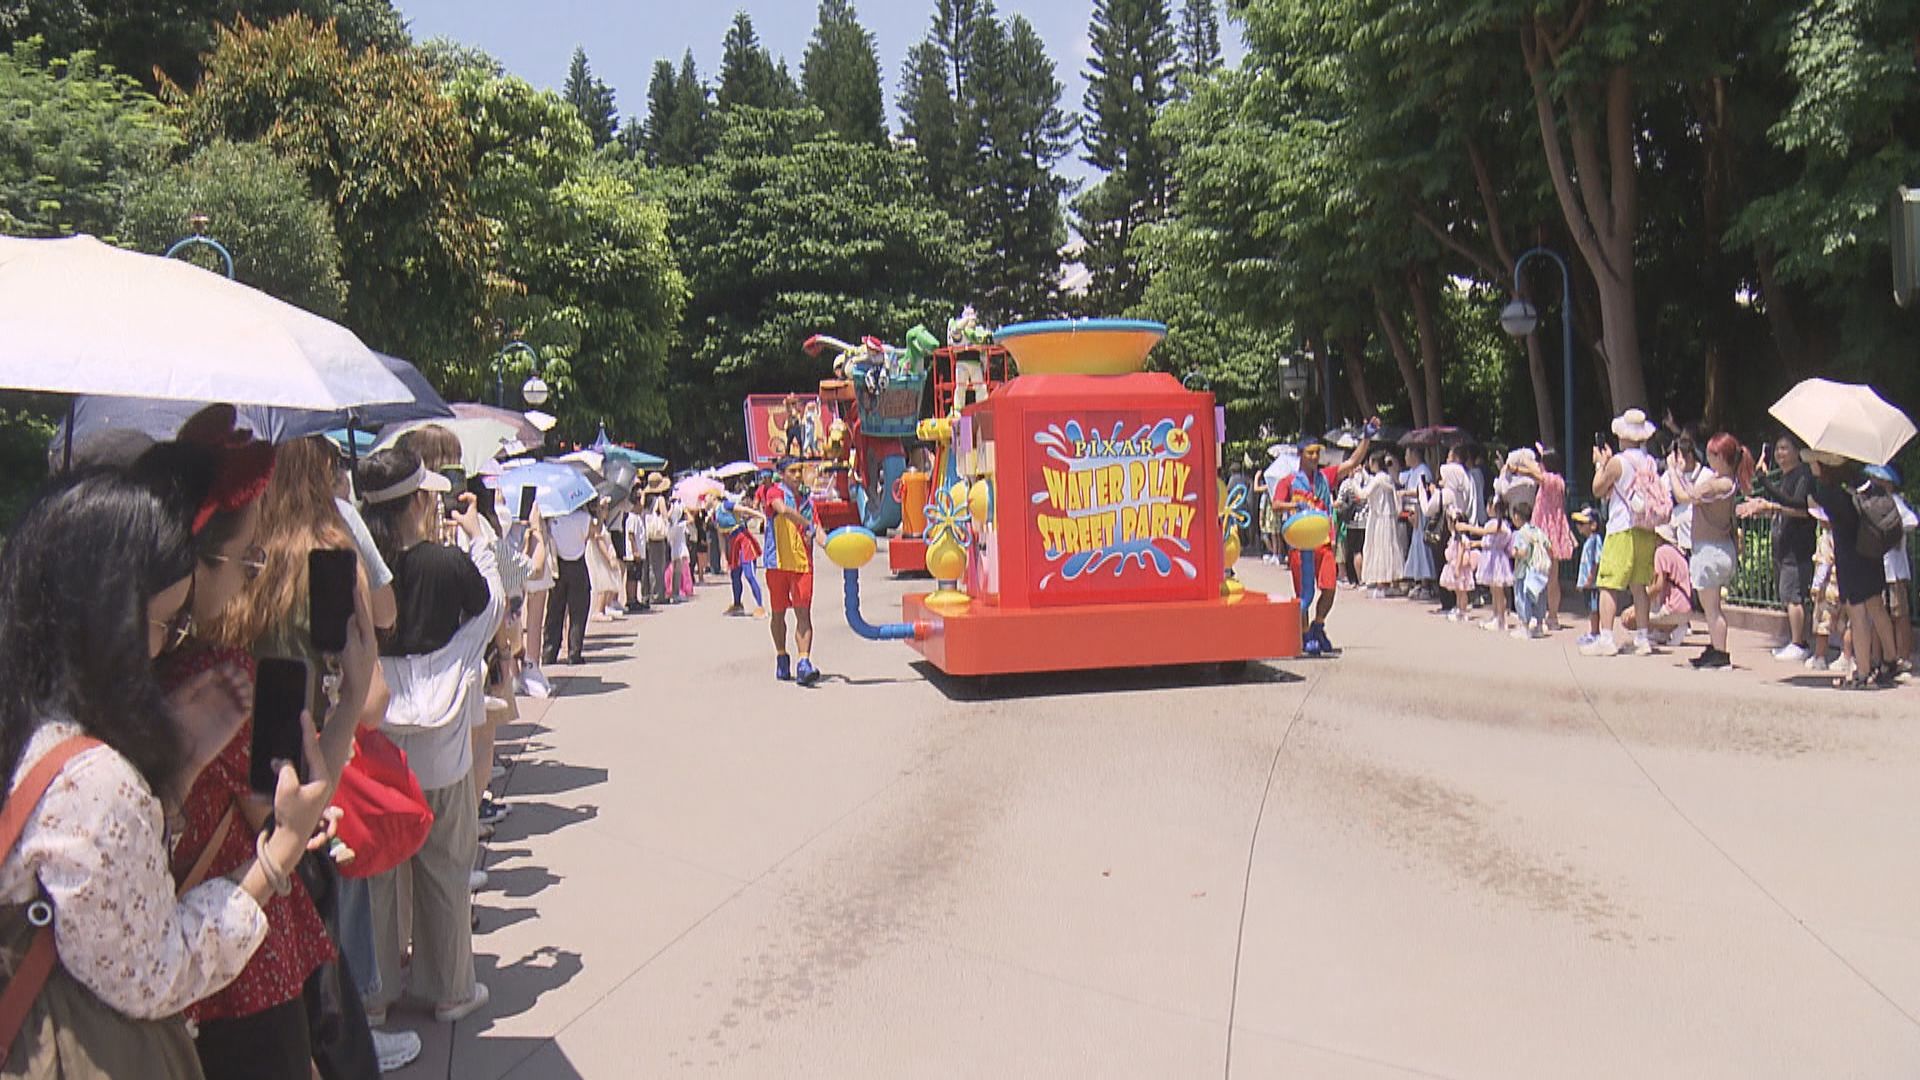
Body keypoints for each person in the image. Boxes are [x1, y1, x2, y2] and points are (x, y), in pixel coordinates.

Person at [0, 473, 334, 1076]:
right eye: (163, 624)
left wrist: (176, 777)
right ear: (108, 622)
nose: (167, 647)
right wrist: (281, 848)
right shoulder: (98, 781)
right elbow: (155, 972)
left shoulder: (25, 726)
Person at [356, 448, 499, 1023]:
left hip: (378, 736)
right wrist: (481, 540)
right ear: (420, 500)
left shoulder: (361, 567)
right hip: (441, 741)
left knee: (379, 873)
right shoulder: (445, 563)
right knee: (445, 863)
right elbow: (488, 610)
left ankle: (376, 990)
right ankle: (449, 988)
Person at [1274, 427, 1374, 654]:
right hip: (1299, 545)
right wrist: (1294, 505)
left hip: (1323, 542)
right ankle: (1303, 634)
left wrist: (1367, 438)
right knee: (1304, 594)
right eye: (1310, 453)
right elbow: (1276, 505)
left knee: (1329, 588)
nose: (1315, 457)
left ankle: (1317, 626)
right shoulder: (1288, 481)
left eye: (1317, 453)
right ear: (1301, 455)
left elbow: (1352, 462)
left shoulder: (1324, 477)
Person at [1810, 457, 1900, 689]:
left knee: (1857, 613)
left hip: (1850, 558)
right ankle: (1891, 660)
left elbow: (1807, 497)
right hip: (1871, 554)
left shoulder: (1829, 493)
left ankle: (1863, 672)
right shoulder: (1863, 484)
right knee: (1877, 608)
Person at [1581, 409, 1662, 656]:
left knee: (1609, 583)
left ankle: (1606, 637)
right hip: (1645, 528)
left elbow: (1597, 488)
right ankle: (1643, 637)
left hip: (1621, 528)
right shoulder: (1649, 461)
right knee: (1639, 585)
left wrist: (1599, 464)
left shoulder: (1618, 462)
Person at [1667, 433, 1752, 669]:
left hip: (1710, 551)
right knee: (1712, 607)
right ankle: (1716, 649)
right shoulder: (1726, 482)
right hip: (1717, 549)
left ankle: (1721, 654)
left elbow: (1684, 496)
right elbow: (1692, 492)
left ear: (1721, 457)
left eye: (1712, 454)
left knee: (1712, 609)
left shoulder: (1719, 483)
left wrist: (1673, 471)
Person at [1742, 435, 1817, 661]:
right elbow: (1782, 504)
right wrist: (1763, 507)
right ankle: (1794, 640)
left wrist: (1766, 487)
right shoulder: (1786, 477)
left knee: (1793, 594)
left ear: (1797, 452)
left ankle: (1799, 643)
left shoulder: (1804, 476)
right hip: (1783, 544)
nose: (1780, 454)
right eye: (1778, 449)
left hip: (1798, 546)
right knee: (1786, 594)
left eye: (1785, 448)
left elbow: (1800, 507)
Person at [764, 458, 821, 685]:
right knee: (778, 614)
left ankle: (804, 662)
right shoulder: (774, 492)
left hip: (802, 565)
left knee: (803, 614)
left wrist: (837, 547)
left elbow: (819, 531)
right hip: (777, 562)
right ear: (782, 474)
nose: (798, 475)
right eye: (792, 471)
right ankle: (781, 655)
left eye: (800, 471)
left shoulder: (808, 501)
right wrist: (807, 524)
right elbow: (783, 510)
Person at [1512, 448, 1576, 632]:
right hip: (1555, 529)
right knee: (1552, 577)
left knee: (1538, 573)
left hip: (1543, 529)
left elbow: (1534, 472)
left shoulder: (1548, 479)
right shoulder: (1560, 481)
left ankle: (1536, 614)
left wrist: (1516, 468)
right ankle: (1552, 616)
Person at [1864, 464, 1915, 675]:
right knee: (1878, 613)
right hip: (1878, 568)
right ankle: (1878, 657)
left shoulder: (1896, 502)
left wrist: (1893, 532)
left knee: (1898, 613)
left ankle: (1903, 657)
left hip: (1895, 569)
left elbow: (1912, 521)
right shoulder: (1871, 502)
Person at [1621, 526, 1694, 646]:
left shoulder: (1661, 552)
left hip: (1674, 608)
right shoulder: (1678, 552)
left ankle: (1673, 626)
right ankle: (1662, 631)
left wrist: (1636, 607)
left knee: (1629, 620)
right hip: (1686, 606)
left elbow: (1657, 586)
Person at [540, 502, 591, 667]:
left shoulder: (553, 520)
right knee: (578, 612)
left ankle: (549, 651)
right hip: (578, 564)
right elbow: (588, 537)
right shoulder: (585, 518)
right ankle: (574, 652)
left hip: (558, 565)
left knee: (554, 610)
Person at [1458, 497, 1517, 632]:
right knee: (1493, 589)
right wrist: (1475, 544)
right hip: (1491, 557)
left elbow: (1485, 533)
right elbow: (1487, 540)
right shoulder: (1497, 524)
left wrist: (1467, 527)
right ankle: (1496, 615)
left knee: (1498, 590)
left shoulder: (1498, 524)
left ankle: (1501, 618)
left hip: (1496, 559)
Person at [1359, 451, 1407, 598]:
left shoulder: (1379, 479)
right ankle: (1394, 582)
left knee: (1379, 548)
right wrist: (1363, 473)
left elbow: (1364, 493)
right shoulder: (1387, 477)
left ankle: (1381, 584)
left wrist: (1353, 483)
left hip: (1379, 519)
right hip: (1389, 518)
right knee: (1391, 548)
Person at [719, 495, 767, 617]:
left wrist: (761, 516)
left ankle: (760, 606)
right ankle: (737, 604)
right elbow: (721, 537)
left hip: (743, 541)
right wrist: (723, 556)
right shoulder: (715, 515)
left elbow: (744, 510)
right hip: (733, 544)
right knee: (735, 574)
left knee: (749, 574)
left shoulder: (726, 505)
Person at [1511, 501, 1552, 639]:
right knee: (1539, 598)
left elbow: (1522, 552)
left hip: (1524, 571)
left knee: (1522, 598)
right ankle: (1539, 625)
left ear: (1517, 516)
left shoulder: (1520, 533)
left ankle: (1525, 626)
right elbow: (1548, 545)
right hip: (1539, 571)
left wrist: (1514, 553)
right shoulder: (1538, 531)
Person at [1665, 435, 1707, 554]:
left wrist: (1678, 475)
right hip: (1680, 544)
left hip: (1701, 543)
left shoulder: (1706, 476)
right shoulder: (1670, 476)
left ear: (1689, 455)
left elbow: (1684, 497)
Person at [1572, 508, 1604, 646]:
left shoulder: (1595, 540)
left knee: (1594, 608)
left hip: (1593, 583)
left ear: (1593, 525)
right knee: (1590, 608)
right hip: (1587, 582)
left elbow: (1597, 560)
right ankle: (1593, 631)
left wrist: (1591, 578)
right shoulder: (1588, 541)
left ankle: (1595, 632)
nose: (1579, 526)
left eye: (1582, 523)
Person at [585, 504, 623, 621]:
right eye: (604, 509)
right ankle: (598, 610)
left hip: (603, 554)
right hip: (599, 556)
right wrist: (608, 557)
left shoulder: (601, 524)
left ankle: (603, 608)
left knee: (608, 581)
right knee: (603, 581)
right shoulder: (596, 523)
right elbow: (599, 541)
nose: (606, 511)